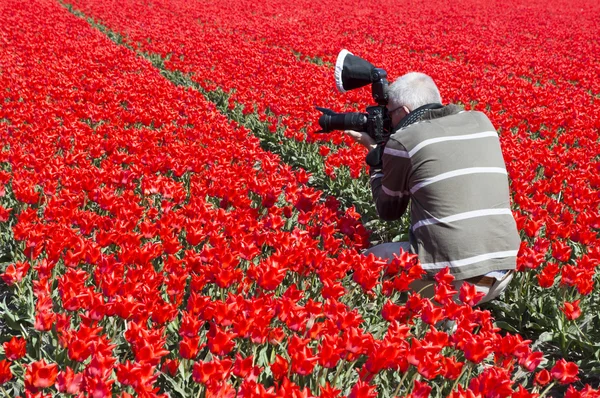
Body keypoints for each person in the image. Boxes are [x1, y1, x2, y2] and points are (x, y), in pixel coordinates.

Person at [345, 72, 520, 304]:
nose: (388, 120)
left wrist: (376, 157)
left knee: (363, 265)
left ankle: (425, 320)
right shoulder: (482, 121)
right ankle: (451, 321)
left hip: (451, 283)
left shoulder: (405, 140)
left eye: (390, 114)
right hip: (503, 271)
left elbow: (388, 211)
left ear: (405, 113)